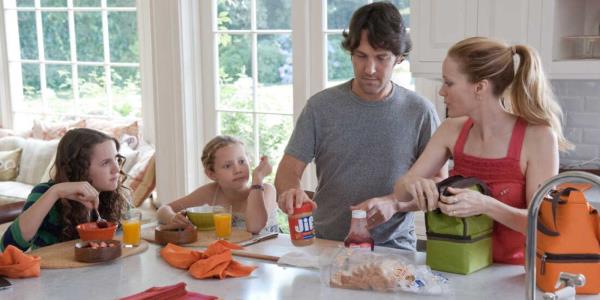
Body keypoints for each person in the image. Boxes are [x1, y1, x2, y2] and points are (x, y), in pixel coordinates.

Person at [275, 1, 442, 250]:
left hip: (393, 248)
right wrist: (290, 191)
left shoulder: (420, 111)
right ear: (350, 53)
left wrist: (395, 203)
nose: (369, 69)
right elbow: (288, 170)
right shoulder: (320, 107)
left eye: (381, 58)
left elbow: (438, 186)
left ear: (399, 58)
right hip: (326, 245)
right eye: (361, 56)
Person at [393, 36, 572, 264]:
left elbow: (544, 224)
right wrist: (411, 183)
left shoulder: (538, 136)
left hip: (513, 276)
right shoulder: (450, 130)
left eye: (449, 83)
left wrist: (485, 205)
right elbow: (400, 192)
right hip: (456, 268)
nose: (441, 92)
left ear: (480, 87)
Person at [0, 128, 130, 251]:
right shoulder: (45, 192)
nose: (117, 169)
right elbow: (8, 246)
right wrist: (55, 192)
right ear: (80, 168)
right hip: (54, 273)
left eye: (116, 159)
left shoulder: (114, 196)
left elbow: (127, 240)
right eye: (105, 163)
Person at [157, 135, 278, 234]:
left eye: (242, 162)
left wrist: (258, 179)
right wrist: (172, 217)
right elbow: (163, 209)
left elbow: (254, 227)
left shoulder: (265, 190)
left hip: (265, 259)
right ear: (211, 174)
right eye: (227, 166)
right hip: (231, 255)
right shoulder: (211, 193)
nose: (238, 170)